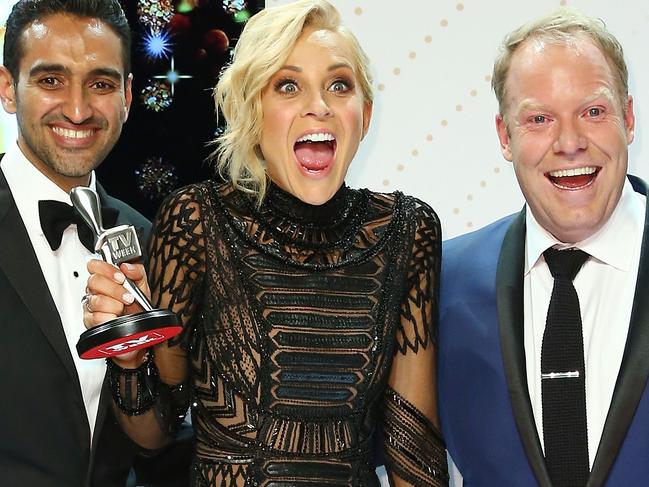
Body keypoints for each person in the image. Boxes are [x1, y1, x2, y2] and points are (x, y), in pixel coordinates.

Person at [83, 0, 449, 485]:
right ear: (253, 111)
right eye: (288, 86)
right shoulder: (195, 220)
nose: (318, 105)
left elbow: (413, 441)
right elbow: (156, 433)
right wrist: (129, 361)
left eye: (339, 85)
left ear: (365, 115)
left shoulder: (407, 230)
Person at [438, 7, 648, 487]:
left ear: (629, 118)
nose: (569, 142)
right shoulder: (442, 284)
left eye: (593, 112)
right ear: (504, 136)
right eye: (539, 119)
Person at [0, 0, 189, 485]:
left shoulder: (150, 240)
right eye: (50, 80)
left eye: (101, 84)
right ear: (7, 88)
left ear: (127, 97)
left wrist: (134, 360)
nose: (79, 109)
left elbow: (160, 442)